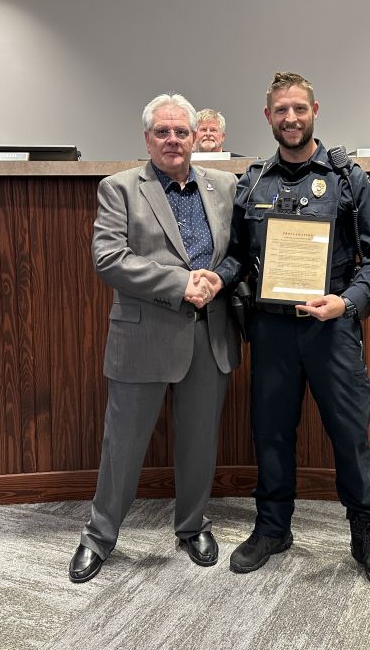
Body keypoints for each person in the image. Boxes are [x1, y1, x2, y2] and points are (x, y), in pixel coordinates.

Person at [215, 72, 370, 591]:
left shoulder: (347, 178)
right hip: (272, 331)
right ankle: (273, 528)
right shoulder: (253, 182)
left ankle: (367, 533)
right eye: (281, 111)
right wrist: (219, 276)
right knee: (271, 433)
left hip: (332, 330)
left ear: (314, 109)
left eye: (299, 109)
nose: (291, 119)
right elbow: (236, 256)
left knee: (349, 434)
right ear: (268, 116)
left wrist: (347, 301)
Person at [69, 93, 240, 584]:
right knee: (121, 446)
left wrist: (218, 279)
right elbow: (109, 259)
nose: (173, 140)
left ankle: (192, 526)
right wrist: (180, 284)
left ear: (194, 137)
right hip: (143, 337)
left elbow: (241, 250)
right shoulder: (119, 188)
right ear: (147, 138)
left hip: (209, 335)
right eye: (162, 132)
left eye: (181, 132)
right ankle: (99, 537)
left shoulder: (225, 186)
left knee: (199, 443)